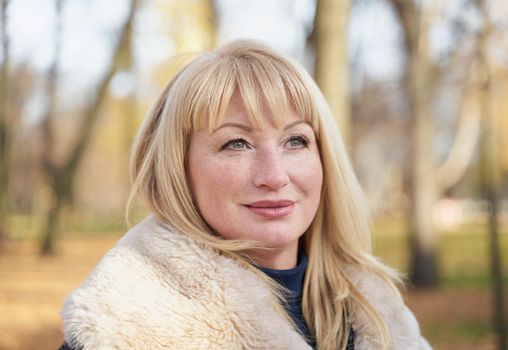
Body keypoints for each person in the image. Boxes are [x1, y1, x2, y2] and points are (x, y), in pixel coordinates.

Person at [59, 40, 431, 350]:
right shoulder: (121, 325)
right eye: (236, 143)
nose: (274, 175)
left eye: (296, 140)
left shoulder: (378, 310)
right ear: (178, 169)